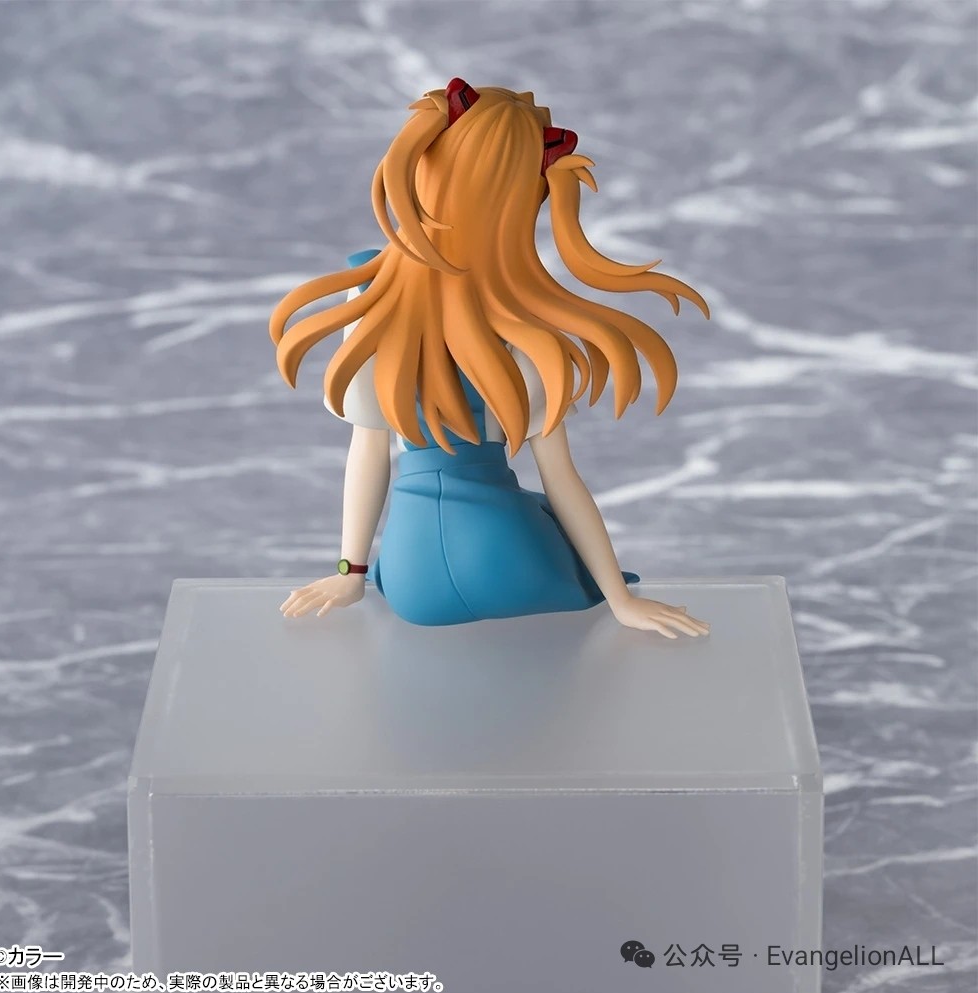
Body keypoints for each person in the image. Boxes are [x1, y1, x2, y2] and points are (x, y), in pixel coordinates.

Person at [271, 79, 710, 637]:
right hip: (513, 565)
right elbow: (561, 479)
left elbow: (368, 449)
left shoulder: (372, 296)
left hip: (411, 581)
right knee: (547, 524)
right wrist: (619, 599)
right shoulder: (523, 322)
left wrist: (351, 573)